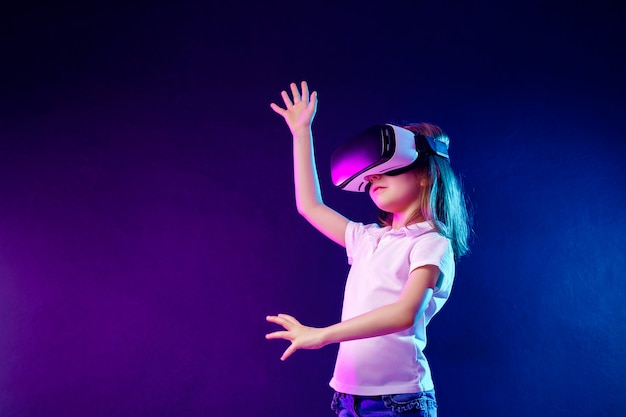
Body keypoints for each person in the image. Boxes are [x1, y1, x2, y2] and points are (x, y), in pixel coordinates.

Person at [266, 81, 471, 417]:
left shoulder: (431, 242)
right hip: (346, 397)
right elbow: (310, 206)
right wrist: (302, 133)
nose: (373, 179)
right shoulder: (368, 239)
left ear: (423, 174)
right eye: (371, 175)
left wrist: (323, 335)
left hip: (399, 402)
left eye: (386, 170)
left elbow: (405, 313)